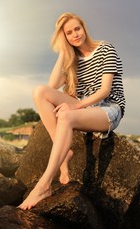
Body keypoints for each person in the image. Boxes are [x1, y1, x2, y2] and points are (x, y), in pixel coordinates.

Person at [18, 12, 125, 210]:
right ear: (64, 37)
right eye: (68, 33)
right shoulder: (72, 59)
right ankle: (64, 152)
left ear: (84, 28)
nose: (75, 34)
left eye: (77, 28)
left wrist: (75, 106)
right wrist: (63, 52)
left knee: (66, 114)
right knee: (39, 91)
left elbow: (105, 91)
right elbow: (50, 88)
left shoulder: (105, 48)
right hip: (83, 107)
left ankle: (44, 185)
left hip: (108, 109)